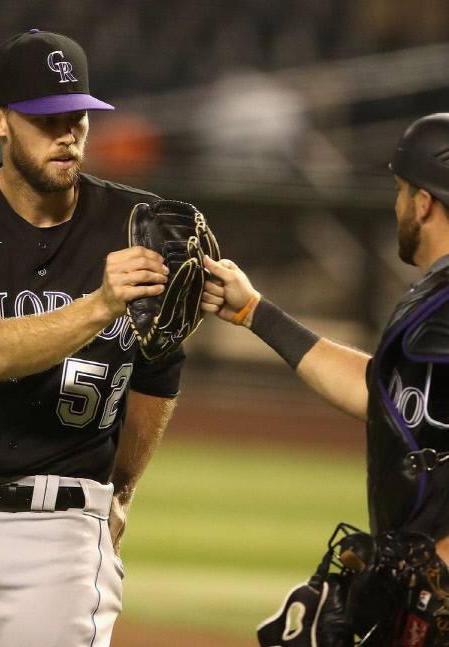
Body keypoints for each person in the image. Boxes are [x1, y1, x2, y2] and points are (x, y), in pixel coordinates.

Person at [0, 29, 185, 647]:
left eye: (77, 116)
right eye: (46, 119)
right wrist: (101, 304)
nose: (67, 133)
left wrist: (122, 491)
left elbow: (158, 367)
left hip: (62, 530)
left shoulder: (138, 224)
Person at [201, 113, 449, 641]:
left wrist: (433, 577)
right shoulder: (435, 296)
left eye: (402, 191)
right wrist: (256, 314)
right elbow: (379, 394)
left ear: (424, 202)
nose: (397, 205)